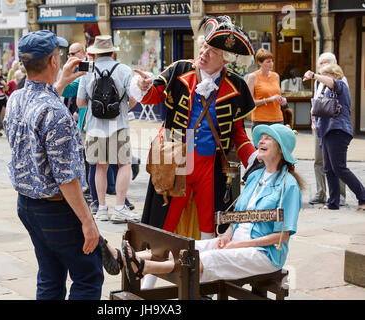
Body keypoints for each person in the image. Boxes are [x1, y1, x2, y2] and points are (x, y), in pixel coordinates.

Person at [102, 124, 302, 284]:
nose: (261, 140)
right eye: (262, 136)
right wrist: (227, 235)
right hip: (236, 242)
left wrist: (240, 244)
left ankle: (143, 267)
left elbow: (282, 236)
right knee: (184, 246)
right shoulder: (255, 176)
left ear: (281, 149)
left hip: (264, 255)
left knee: (205, 259)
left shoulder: (289, 185)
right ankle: (125, 257)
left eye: (269, 138)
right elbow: (241, 216)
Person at [132, 15, 258, 239]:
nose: (203, 53)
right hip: (175, 159)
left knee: (209, 225)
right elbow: (153, 96)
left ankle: (201, 270)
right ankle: (151, 271)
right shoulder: (180, 70)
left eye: (212, 52)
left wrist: (254, 158)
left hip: (210, 165)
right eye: (204, 47)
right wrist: (143, 86)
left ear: (225, 59)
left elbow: (238, 133)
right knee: (165, 221)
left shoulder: (236, 86)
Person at [4, 30, 103, 300]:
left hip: (27, 204)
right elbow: (66, 178)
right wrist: (88, 222)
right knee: (88, 276)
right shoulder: (56, 112)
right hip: (56, 208)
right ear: (53, 61)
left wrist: (59, 84)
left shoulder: (16, 99)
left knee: (50, 275)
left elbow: (39, 108)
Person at [77, 35, 139, 224]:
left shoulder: (87, 71)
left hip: (95, 127)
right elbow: (134, 98)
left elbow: (80, 102)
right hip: (118, 125)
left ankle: (102, 208)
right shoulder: (124, 70)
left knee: (100, 167)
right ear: (113, 52)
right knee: (124, 164)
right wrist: (121, 110)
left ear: (94, 53)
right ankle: (120, 207)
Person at [303, 64, 365, 211]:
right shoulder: (326, 90)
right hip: (326, 132)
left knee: (339, 168)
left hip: (338, 130)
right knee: (329, 169)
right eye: (321, 74)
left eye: (326, 74)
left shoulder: (340, 85)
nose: (322, 77)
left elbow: (331, 83)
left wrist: (313, 75)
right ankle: (333, 203)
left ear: (335, 74)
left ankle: (363, 197)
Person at [307, 52, 347, 206]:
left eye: (325, 63)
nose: (322, 66)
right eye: (320, 63)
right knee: (318, 161)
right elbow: (317, 101)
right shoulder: (318, 82)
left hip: (334, 126)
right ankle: (320, 193)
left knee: (337, 162)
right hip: (319, 125)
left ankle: (340, 195)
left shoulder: (340, 80)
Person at [247, 48, 288, 131]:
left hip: (278, 119)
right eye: (268, 62)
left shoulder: (276, 76)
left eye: (272, 61)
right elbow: (249, 103)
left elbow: (277, 95)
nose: (271, 64)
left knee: (278, 144)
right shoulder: (253, 77)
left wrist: (282, 100)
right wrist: (269, 99)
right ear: (259, 63)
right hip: (261, 120)